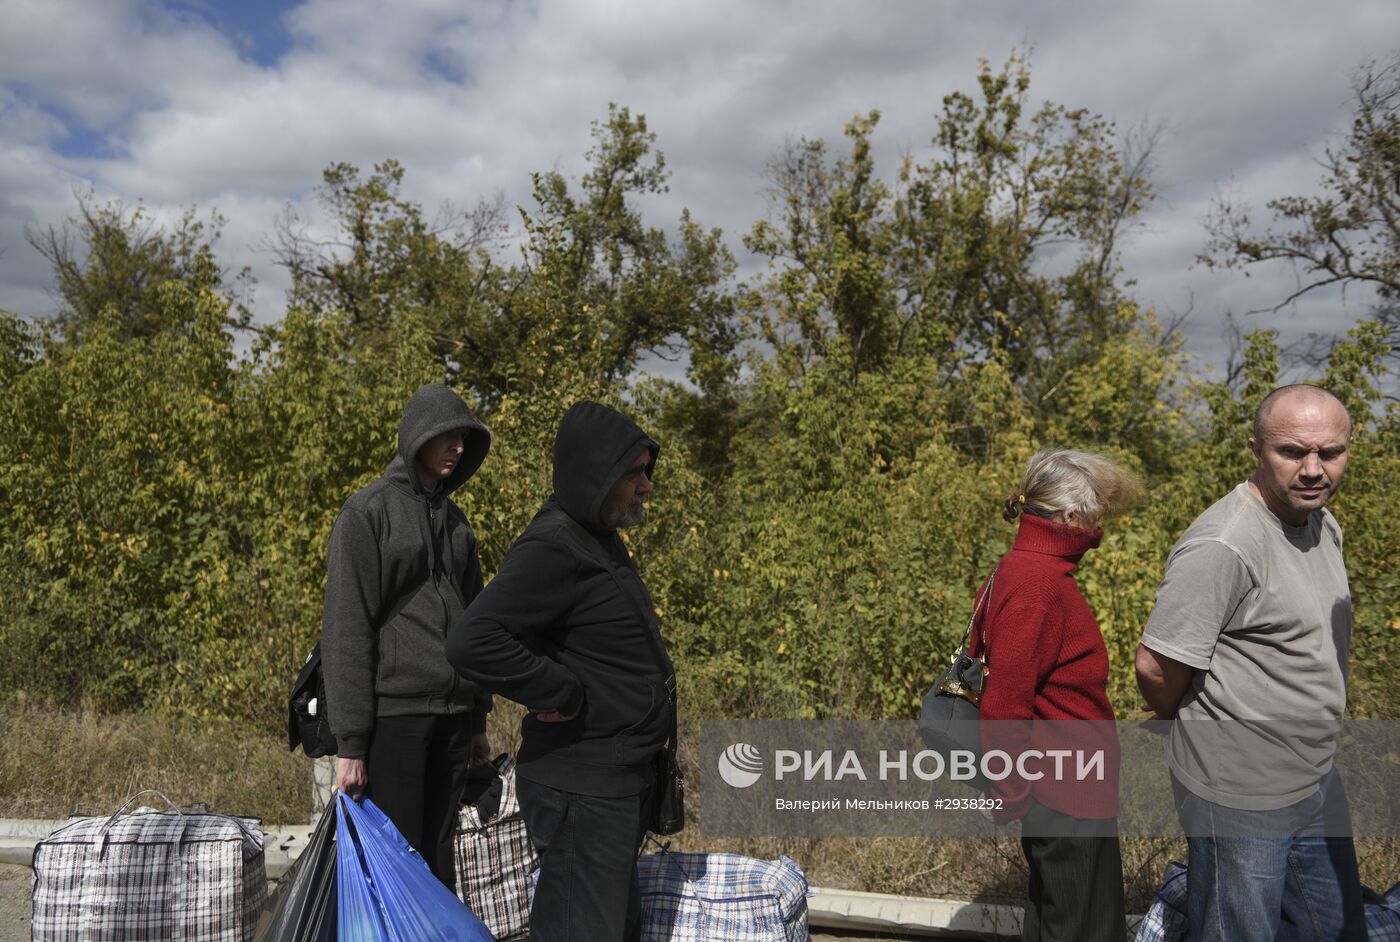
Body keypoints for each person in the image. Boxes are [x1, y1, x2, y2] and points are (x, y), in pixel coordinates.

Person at [1136, 384, 1364, 941]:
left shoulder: (1320, 523)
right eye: (1292, 452)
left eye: (1329, 453)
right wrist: (1186, 726)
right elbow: (1155, 667)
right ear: (1257, 449)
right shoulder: (1226, 543)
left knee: (1332, 928)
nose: (1313, 469)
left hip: (1312, 775)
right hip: (1238, 790)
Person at [447, 400, 674, 942]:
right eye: (634, 473)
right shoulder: (553, 545)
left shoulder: (596, 535)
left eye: (647, 470)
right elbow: (471, 640)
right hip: (581, 786)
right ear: (595, 475)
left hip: (613, 780)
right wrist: (561, 691)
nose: (646, 486)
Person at [321, 382, 493, 886]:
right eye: (449, 437)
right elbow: (346, 629)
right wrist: (350, 744)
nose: (459, 448)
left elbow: (477, 624)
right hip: (395, 716)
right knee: (395, 862)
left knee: (440, 860)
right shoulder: (367, 514)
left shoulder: (458, 526)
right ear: (419, 438)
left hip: (454, 718)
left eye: (465, 438)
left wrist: (479, 715)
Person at [979, 449, 1142, 942]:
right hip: (1063, 792)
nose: (1100, 526)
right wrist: (1013, 793)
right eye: (1097, 514)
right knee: (1077, 929)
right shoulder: (1037, 584)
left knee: (1066, 925)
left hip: (1068, 788)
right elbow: (1004, 704)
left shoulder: (1027, 571)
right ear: (1071, 515)